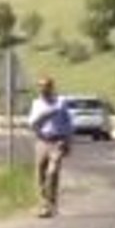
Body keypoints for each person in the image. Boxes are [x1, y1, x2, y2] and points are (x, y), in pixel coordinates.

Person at [27, 76, 73, 219]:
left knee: (52, 173)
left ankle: (52, 204)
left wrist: (68, 141)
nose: (43, 89)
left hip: (57, 142)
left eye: (46, 86)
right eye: (40, 86)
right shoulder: (36, 104)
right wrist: (42, 117)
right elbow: (31, 123)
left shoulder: (61, 103)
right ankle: (44, 206)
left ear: (51, 87)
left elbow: (68, 123)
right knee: (40, 174)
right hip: (41, 141)